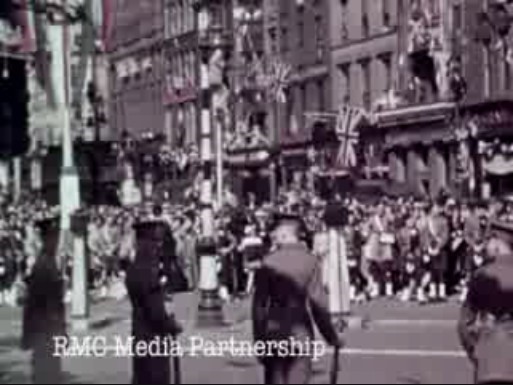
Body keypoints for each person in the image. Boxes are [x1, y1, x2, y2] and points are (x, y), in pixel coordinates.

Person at [252, 214, 343, 384]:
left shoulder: (269, 262)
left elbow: (259, 307)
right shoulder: (310, 261)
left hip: (273, 331)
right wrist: (331, 337)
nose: (274, 236)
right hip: (300, 331)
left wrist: (258, 341)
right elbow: (318, 305)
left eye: (277, 233)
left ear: (286, 234)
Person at [126, 204, 183, 384]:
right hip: (153, 339)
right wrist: (171, 324)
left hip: (139, 335)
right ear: (146, 244)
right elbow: (156, 312)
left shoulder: (134, 269)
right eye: (154, 243)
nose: (157, 248)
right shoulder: (148, 273)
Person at [457, 219, 513, 384]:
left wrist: (477, 350)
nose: (486, 245)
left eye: (488, 240)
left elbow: (464, 324)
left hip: (490, 362)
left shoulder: (483, 275)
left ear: (497, 244)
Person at [21, 217, 66, 384]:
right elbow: (32, 305)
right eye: (53, 239)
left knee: (50, 375)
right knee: (46, 376)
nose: (55, 243)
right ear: (46, 240)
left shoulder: (49, 263)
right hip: (44, 333)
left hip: (49, 333)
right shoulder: (42, 265)